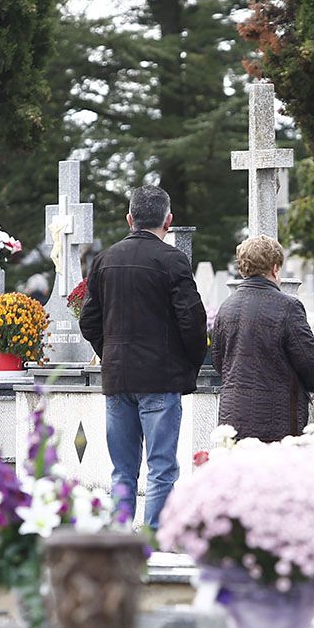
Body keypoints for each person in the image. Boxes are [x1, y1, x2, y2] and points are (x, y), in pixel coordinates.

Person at [80, 186, 207, 529]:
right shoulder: (172, 260)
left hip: (118, 378)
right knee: (162, 467)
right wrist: (191, 363)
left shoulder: (105, 259)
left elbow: (88, 320)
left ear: (130, 219)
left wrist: (110, 354)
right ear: (169, 220)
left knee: (122, 469)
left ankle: (120, 536)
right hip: (160, 379)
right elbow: (192, 321)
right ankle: (154, 542)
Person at [211, 235, 314, 442]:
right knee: (276, 472)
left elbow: (219, 360)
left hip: (233, 414)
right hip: (276, 414)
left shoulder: (226, 307)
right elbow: (308, 360)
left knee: (240, 472)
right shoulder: (288, 307)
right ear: (275, 268)